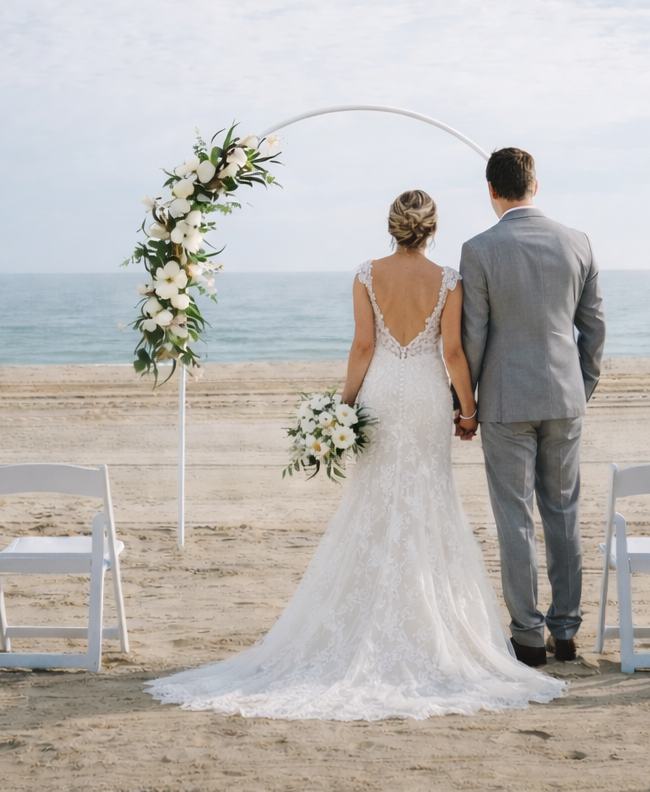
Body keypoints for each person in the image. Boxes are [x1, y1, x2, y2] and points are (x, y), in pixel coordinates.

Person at [147, 189, 565, 720]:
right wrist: (467, 410)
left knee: (372, 501)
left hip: (383, 394)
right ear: (431, 229)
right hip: (425, 397)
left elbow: (363, 347)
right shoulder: (448, 279)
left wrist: (343, 408)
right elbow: (453, 351)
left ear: (392, 226)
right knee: (428, 500)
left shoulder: (366, 274)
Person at [459, 147, 605, 667]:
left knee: (515, 517)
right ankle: (566, 632)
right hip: (564, 397)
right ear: (534, 186)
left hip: (504, 400)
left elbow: (473, 335)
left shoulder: (478, 249)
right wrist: (580, 388)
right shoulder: (578, 243)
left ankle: (527, 636)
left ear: (492, 191)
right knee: (563, 512)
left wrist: (468, 403)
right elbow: (594, 328)